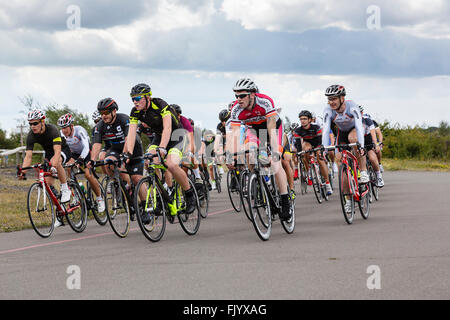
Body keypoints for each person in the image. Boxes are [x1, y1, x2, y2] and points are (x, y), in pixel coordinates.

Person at [125, 83, 196, 215]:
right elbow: (131, 134)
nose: (135, 102)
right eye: (133, 99)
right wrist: (128, 153)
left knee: (171, 164)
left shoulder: (160, 104)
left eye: (138, 98)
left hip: (176, 136)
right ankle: (160, 196)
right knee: (149, 162)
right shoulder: (135, 112)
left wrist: (162, 148)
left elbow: (168, 128)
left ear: (148, 97)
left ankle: (189, 194)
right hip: (159, 137)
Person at [226, 77, 292, 221]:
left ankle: (285, 200)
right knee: (250, 153)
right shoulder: (236, 110)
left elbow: (271, 128)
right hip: (255, 131)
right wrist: (231, 156)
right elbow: (235, 135)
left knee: (275, 163)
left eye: (242, 95)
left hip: (272, 129)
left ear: (252, 94)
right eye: (236, 96)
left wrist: (275, 152)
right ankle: (258, 181)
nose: (239, 99)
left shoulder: (265, 102)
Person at [89, 98, 145, 221]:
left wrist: (125, 155)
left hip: (133, 149)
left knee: (136, 178)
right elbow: (97, 144)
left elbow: (128, 140)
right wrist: (92, 160)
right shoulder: (100, 126)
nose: (103, 116)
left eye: (106, 113)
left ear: (114, 111)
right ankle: (120, 185)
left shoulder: (124, 119)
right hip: (116, 149)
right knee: (107, 161)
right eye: (101, 113)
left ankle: (145, 206)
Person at [322, 85, 367, 212]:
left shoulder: (352, 106)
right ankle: (348, 200)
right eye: (329, 99)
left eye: (334, 99)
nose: (331, 102)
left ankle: (363, 171)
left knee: (353, 139)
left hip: (354, 130)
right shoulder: (328, 110)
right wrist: (325, 150)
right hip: (341, 133)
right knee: (341, 163)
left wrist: (362, 146)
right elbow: (325, 130)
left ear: (342, 98)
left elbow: (359, 126)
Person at [18, 109, 72, 206]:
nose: (32, 126)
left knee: (56, 161)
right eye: (30, 124)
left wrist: (54, 165)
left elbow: (57, 152)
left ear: (42, 121)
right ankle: (60, 211)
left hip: (62, 150)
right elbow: (28, 156)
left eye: (35, 123)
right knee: (47, 184)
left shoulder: (52, 130)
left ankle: (65, 188)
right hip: (49, 153)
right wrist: (23, 172)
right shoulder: (31, 135)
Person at [57, 113, 105, 213]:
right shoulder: (61, 134)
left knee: (88, 175)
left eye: (65, 127)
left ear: (71, 126)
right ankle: (77, 190)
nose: (64, 130)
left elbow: (86, 147)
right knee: (68, 167)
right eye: (62, 128)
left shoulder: (79, 130)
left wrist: (81, 159)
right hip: (73, 154)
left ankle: (100, 199)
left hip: (87, 153)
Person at [293, 110, 332, 195]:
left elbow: (320, 142)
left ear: (310, 120)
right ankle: (310, 169)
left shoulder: (316, 127)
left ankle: (327, 183)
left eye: (304, 119)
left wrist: (319, 151)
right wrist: (299, 153)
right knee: (305, 149)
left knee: (320, 158)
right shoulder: (298, 130)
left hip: (317, 143)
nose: (302, 121)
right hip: (308, 144)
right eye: (301, 119)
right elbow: (299, 145)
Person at [359, 106, 384, 187]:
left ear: (362, 113)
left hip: (368, 138)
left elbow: (375, 133)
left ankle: (379, 176)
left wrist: (377, 144)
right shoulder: (350, 121)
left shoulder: (367, 120)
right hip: (358, 139)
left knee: (372, 158)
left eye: (360, 113)